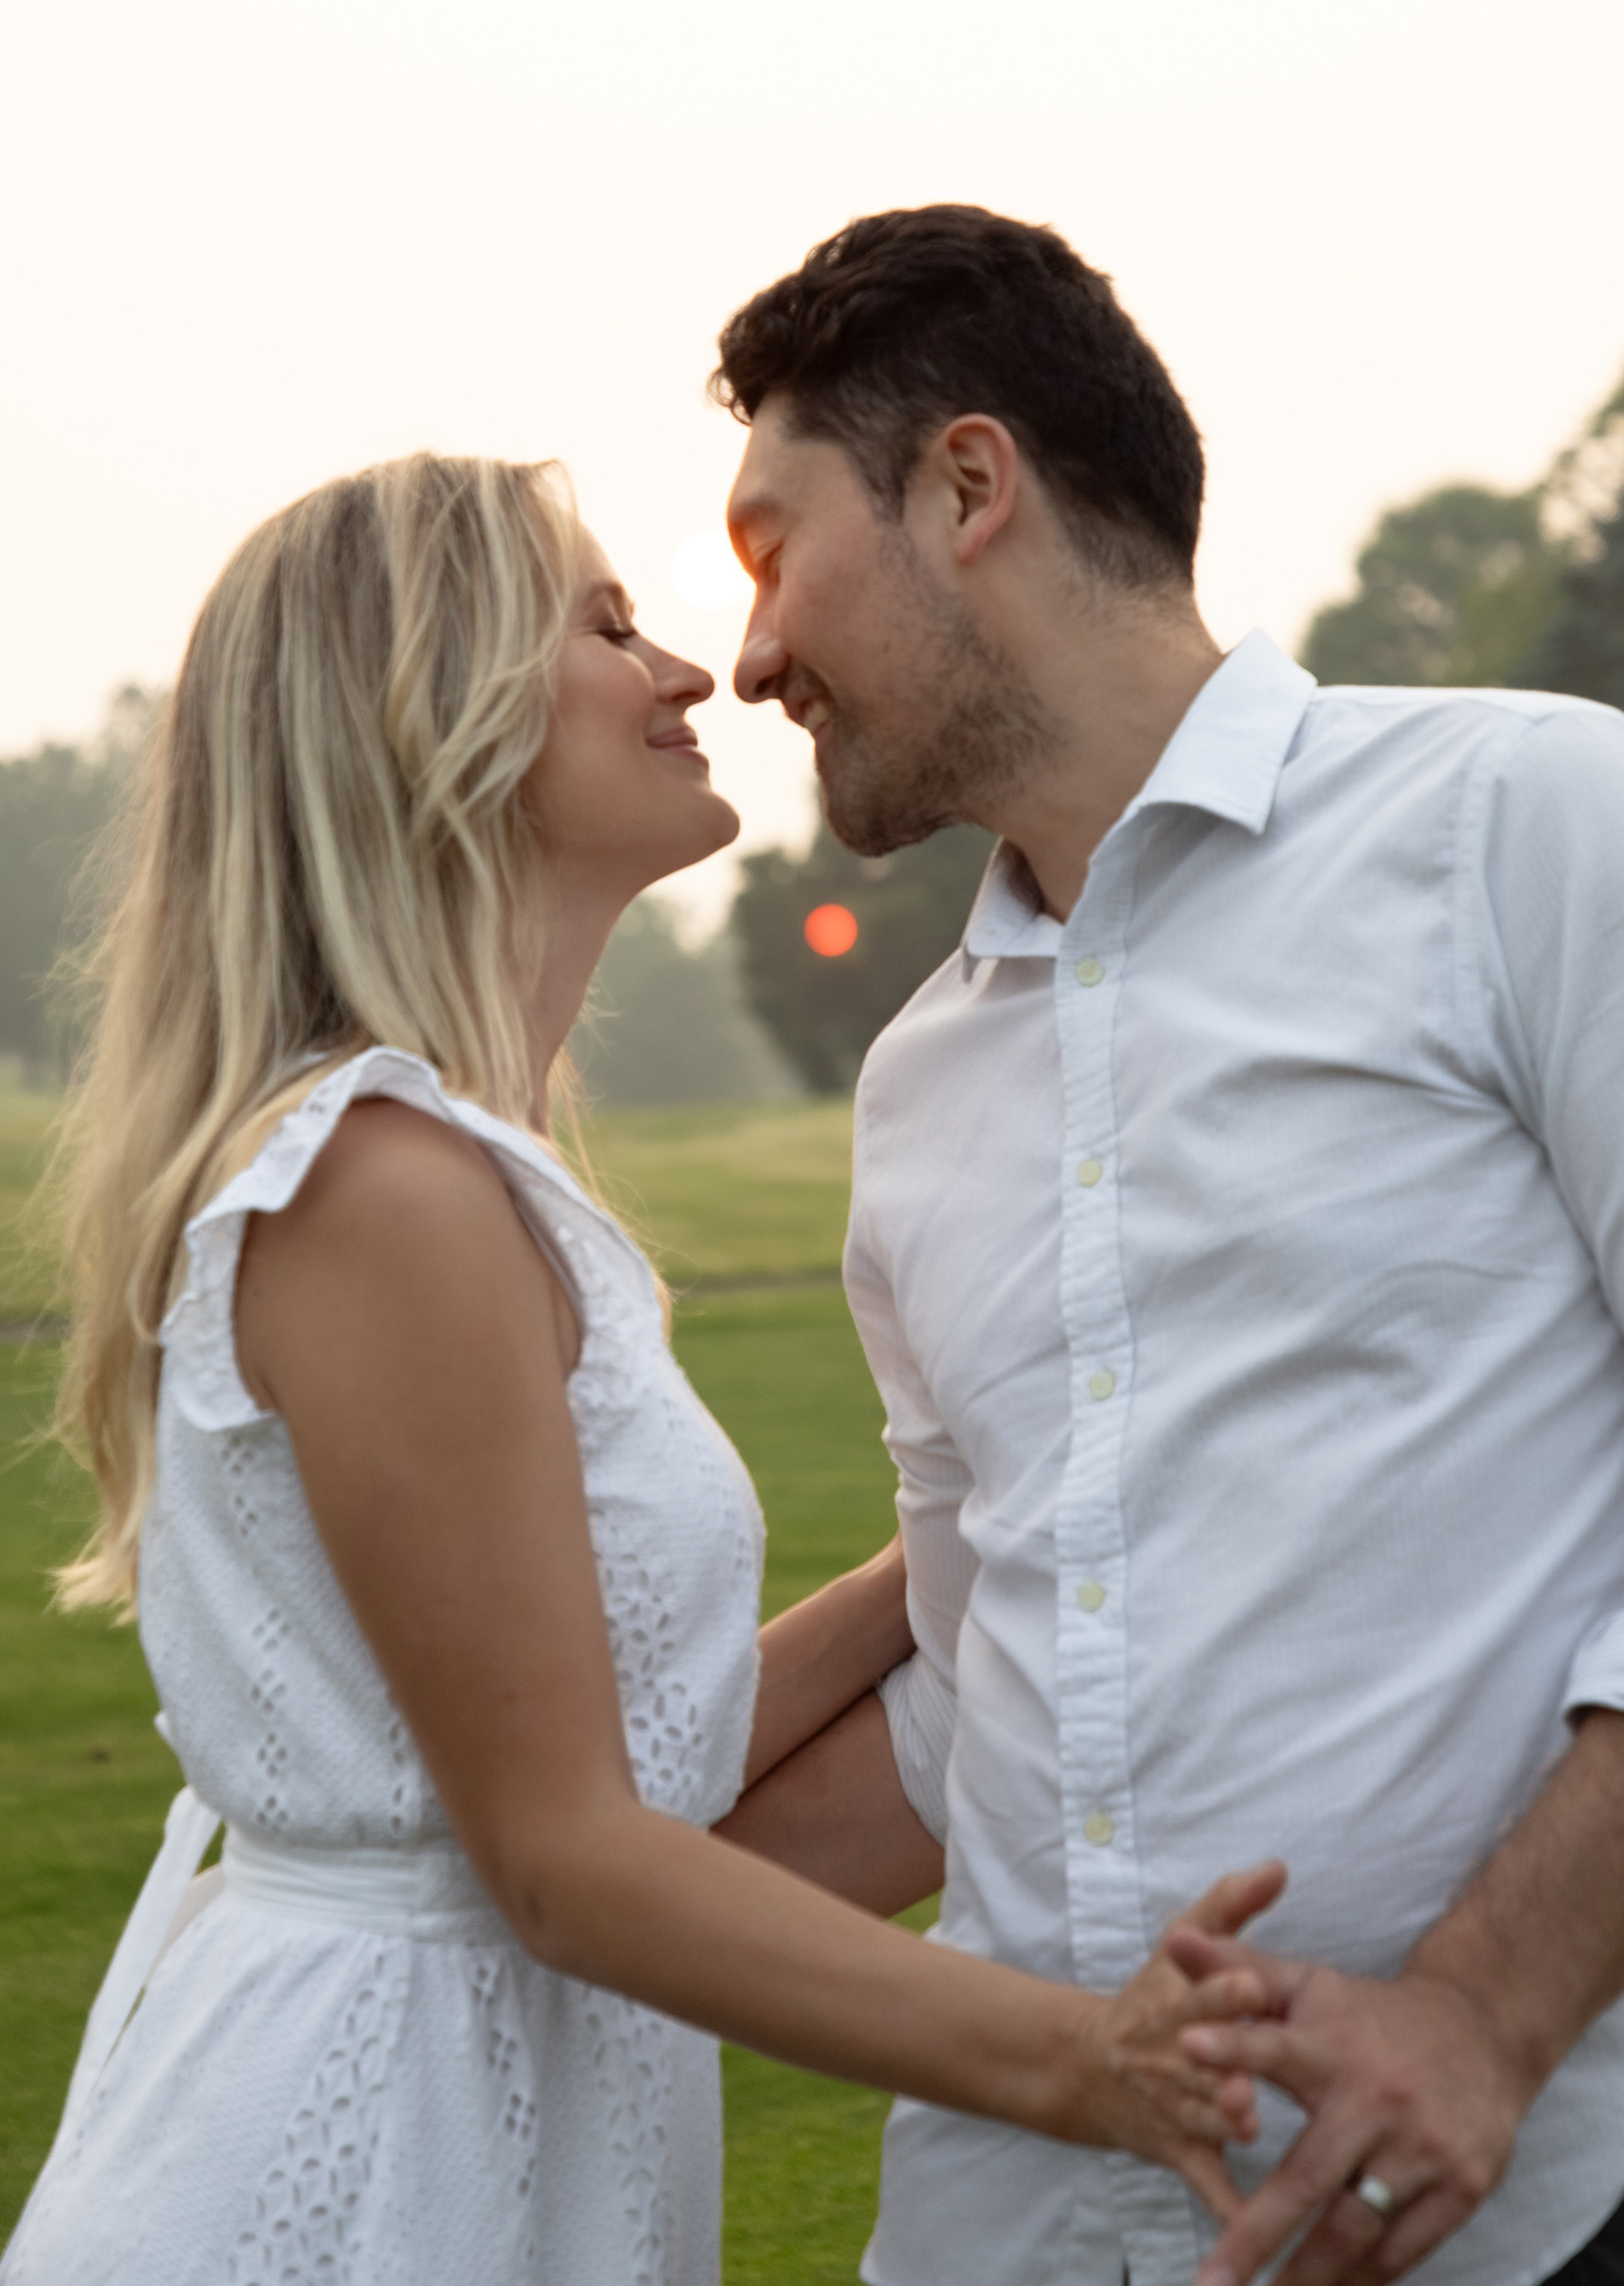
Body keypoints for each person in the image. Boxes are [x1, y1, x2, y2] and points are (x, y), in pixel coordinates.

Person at [0, 453, 1276, 2286]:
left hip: (483, 2097)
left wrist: (988, 1535)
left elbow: (593, 1745)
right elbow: (565, 1855)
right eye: (605, 626)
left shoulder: (444, 1170)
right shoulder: (386, 1191)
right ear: (425, 714)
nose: (691, 671)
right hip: (364, 2154)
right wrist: (1101, 2066)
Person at [712, 206, 1624, 2286]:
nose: (749, 651)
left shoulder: (1534, 830)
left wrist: (1485, 2006)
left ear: (967, 485)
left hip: (1502, 2219)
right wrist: (550, 1889)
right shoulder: (917, 1098)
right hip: (1001, 2232)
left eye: (774, 549)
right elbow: (988, 1677)